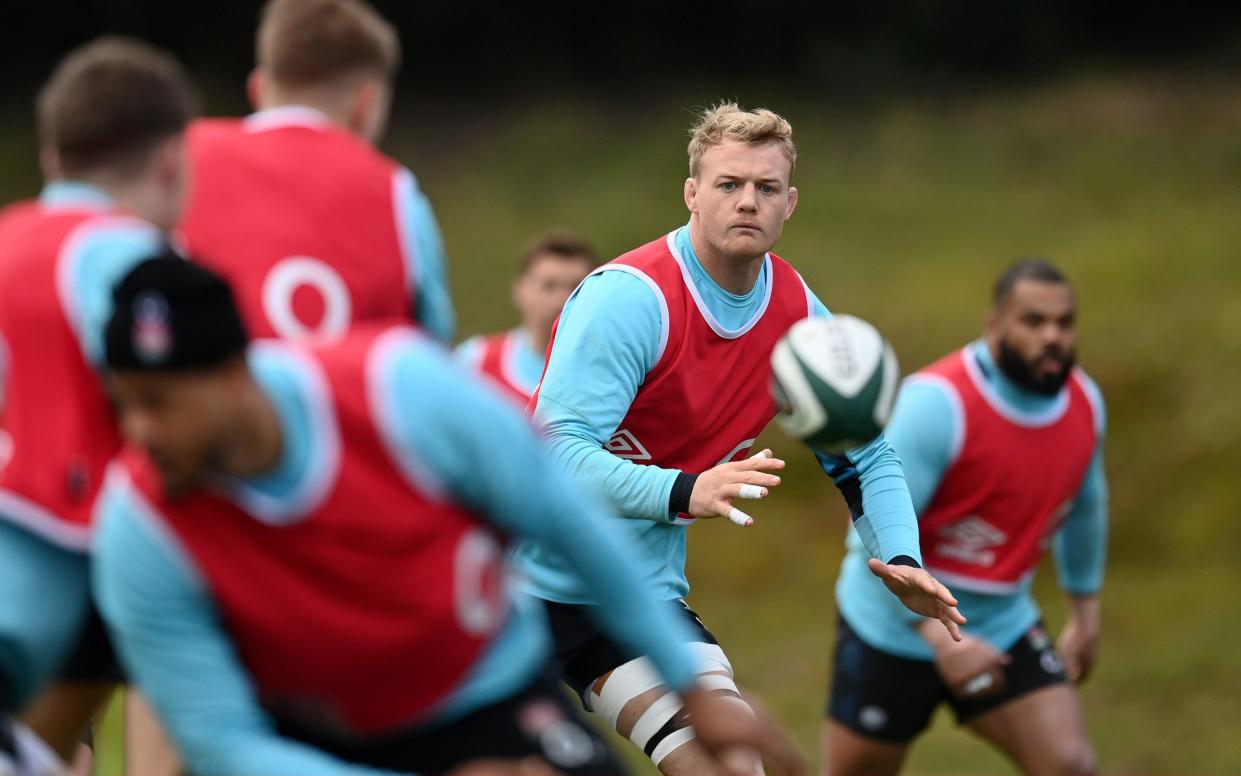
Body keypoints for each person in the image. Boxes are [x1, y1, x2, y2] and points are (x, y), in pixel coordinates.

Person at [92, 257, 805, 776]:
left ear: (234, 375)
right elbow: (220, 740)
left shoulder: (398, 389)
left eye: (159, 403)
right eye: (123, 402)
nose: (138, 431)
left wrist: (686, 679)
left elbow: (567, 518)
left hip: (486, 696)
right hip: (309, 743)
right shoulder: (138, 524)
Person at [511, 102, 965, 776]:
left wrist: (900, 553)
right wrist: (684, 490)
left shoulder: (795, 315)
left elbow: (862, 452)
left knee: (734, 766)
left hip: (631, 599)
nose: (746, 201)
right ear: (692, 193)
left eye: (766, 187)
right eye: (728, 184)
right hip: (509, 589)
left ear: (790, 204)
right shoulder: (630, 299)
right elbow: (557, 456)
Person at [825, 259, 1107, 776]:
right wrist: (938, 637)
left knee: (1069, 765)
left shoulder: (1085, 403)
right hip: (892, 628)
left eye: (1064, 323)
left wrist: (1084, 614)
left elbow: (1086, 507)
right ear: (994, 324)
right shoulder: (935, 405)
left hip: (1001, 622)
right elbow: (867, 533)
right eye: (1033, 321)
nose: (1052, 337)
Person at [0, 37, 196, 774]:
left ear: (53, 158)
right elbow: (182, 413)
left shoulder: (8, 236)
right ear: (173, 160)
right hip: (88, 560)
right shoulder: (127, 256)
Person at [176, 0, 455, 344]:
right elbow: (432, 354)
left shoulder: (179, 158)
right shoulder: (397, 193)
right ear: (366, 104)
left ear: (258, 88)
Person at [456, 232, 596, 404]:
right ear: (520, 290)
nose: (562, 299)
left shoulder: (613, 370)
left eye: (575, 287)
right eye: (549, 286)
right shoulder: (475, 363)